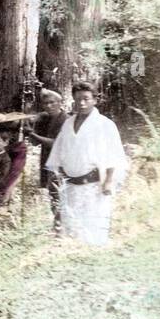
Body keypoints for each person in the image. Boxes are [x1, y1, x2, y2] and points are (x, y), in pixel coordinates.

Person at [45, 82, 126, 246]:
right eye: (77, 99)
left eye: (86, 99)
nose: (81, 103)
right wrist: (57, 175)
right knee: (72, 227)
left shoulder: (105, 124)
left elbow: (114, 155)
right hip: (70, 184)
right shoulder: (68, 123)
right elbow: (60, 150)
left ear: (95, 100)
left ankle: (94, 254)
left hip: (94, 184)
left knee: (93, 228)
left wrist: (109, 181)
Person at [28, 89, 67, 229]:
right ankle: (57, 226)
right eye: (46, 103)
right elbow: (34, 143)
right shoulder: (45, 118)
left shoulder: (65, 120)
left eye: (52, 102)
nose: (49, 106)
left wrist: (33, 135)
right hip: (47, 161)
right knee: (52, 193)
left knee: (60, 193)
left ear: (60, 103)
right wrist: (31, 125)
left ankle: (62, 227)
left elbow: (55, 143)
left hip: (62, 163)